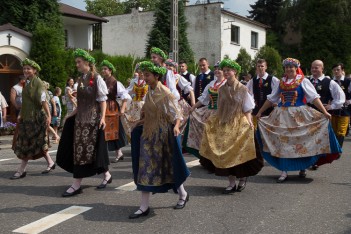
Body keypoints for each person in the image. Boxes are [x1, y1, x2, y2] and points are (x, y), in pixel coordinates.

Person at [256, 58, 342, 183]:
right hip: (282, 115)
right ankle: (284, 170)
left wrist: (324, 111)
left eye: (291, 67)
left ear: (296, 68)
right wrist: (259, 112)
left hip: (299, 115)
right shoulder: (281, 82)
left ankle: (303, 167)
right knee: (283, 142)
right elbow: (271, 99)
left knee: (302, 141)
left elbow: (314, 98)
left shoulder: (303, 81)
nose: (289, 69)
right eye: (287, 67)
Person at [130, 61, 190, 219]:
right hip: (149, 135)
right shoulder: (149, 91)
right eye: (143, 75)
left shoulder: (165, 93)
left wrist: (176, 126)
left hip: (162, 136)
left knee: (170, 167)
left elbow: (177, 114)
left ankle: (183, 194)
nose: (145, 78)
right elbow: (150, 114)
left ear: (156, 76)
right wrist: (138, 122)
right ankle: (144, 206)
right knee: (145, 168)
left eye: (147, 75)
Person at [198, 59, 262, 193]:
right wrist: (212, 119)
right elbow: (219, 107)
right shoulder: (221, 89)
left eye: (229, 70)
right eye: (225, 70)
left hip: (238, 121)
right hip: (224, 121)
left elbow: (247, 108)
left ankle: (243, 177)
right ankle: (231, 182)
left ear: (235, 72)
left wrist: (249, 121)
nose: (226, 72)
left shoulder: (242, 89)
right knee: (224, 151)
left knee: (239, 151)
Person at [56, 49, 111, 196]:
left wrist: (103, 118)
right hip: (80, 119)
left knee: (87, 150)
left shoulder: (97, 78)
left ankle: (76, 184)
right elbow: (80, 103)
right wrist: (70, 115)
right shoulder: (80, 80)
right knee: (83, 150)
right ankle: (107, 175)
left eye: (79, 62)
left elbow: (102, 100)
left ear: (87, 62)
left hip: (92, 120)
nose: (77, 64)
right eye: (76, 62)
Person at [11, 58, 56, 179]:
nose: (26, 70)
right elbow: (26, 102)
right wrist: (21, 113)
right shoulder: (27, 82)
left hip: (36, 118)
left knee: (27, 143)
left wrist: (49, 115)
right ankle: (51, 163)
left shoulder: (38, 83)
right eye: (24, 68)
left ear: (34, 70)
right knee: (37, 143)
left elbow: (43, 101)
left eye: (28, 68)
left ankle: (21, 170)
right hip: (27, 117)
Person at [183, 61, 226, 158]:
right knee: (202, 129)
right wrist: (193, 108)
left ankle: (219, 157)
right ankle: (207, 156)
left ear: (224, 71)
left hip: (222, 112)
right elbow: (203, 98)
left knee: (217, 135)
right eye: (216, 69)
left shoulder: (227, 83)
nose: (217, 71)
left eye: (220, 69)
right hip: (210, 111)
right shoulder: (211, 83)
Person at [308, 60, 345, 169]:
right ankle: (307, 161)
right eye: (312, 67)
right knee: (308, 140)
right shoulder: (306, 81)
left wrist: (331, 107)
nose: (314, 69)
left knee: (319, 140)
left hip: (321, 117)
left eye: (317, 67)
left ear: (322, 69)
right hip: (307, 116)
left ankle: (316, 161)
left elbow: (340, 98)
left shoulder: (330, 82)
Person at [100, 60, 131, 163]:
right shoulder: (101, 81)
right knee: (103, 131)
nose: (103, 70)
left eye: (105, 69)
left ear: (110, 71)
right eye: (102, 69)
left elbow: (125, 96)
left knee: (113, 130)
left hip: (112, 108)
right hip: (102, 107)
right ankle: (117, 153)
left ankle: (118, 153)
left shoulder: (115, 82)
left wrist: (122, 108)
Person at [246, 59, 280, 128]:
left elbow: (278, 92)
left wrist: (277, 102)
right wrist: (251, 100)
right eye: (258, 66)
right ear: (256, 67)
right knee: (256, 131)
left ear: (266, 67)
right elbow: (247, 92)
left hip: (269, 112)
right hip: (256, 111)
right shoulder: (252, 80)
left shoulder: (273, 79)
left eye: (262, 66)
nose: (260, 68)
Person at [165, 59, 195, 132]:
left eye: (170, 66)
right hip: (165, 105)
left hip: (178, 104)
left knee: (178, 128)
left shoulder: (177, 77)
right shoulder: (160, 77)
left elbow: (190, 90)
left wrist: (193, 105)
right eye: (167, 65)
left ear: (174, 67)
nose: (168, 67)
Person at [123, 63, 148, 138]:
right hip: (135, 104)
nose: (141, 74)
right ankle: (135, 137)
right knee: (134, 122)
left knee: (144, 121)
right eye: (139, 72)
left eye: (142, 72)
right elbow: (128, 90)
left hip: (144, 104)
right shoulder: (134, 81)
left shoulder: (147, 81)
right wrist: (122, 94)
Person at [330, 63, 350, 147]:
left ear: (342, 71)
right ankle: (334, 149)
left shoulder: (348, 81)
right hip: (333, 109)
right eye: (334, 70)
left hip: (345, 109)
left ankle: (338, 150)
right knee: (334, 129)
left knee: (341, 130)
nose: (336, 71)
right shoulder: (330, 82)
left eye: (338, 69)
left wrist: (349, 101)